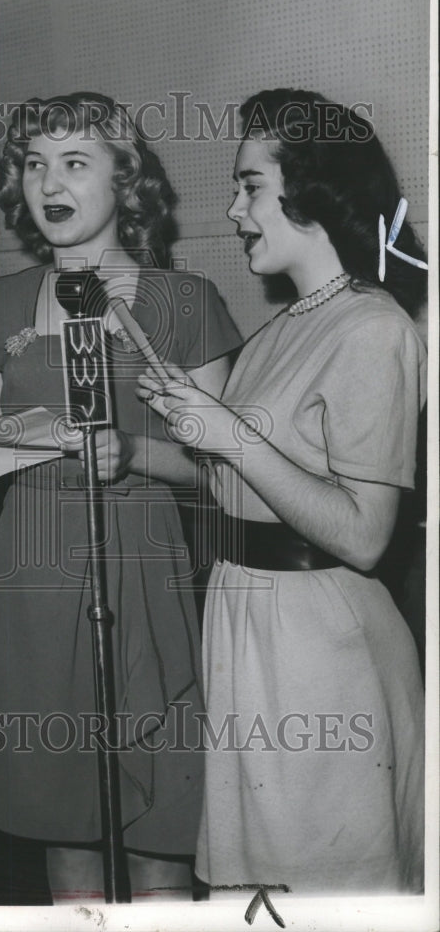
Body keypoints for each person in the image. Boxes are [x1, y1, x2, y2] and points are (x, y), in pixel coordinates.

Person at [0, 93, 242, 900]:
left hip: (143, 566)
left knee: (162, 828)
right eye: (34, 164)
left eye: (74, 162)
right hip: (33, 573)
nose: (48, 182)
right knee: (61, 820)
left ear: (125, 180)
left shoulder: (186, 301)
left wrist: (134, 452)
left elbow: (230, 470)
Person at [138, 89, 427, 895]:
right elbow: (242, 489)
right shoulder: (285, 326)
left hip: (318, 642)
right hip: (249, 622)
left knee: (320, 883)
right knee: (263, 884)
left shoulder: (374, 328)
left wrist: (230, 433)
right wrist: (144, 443)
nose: (234, 210)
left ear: (313, 188)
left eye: (250, 186)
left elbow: (365, 534)